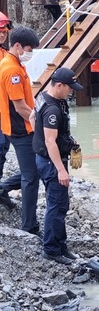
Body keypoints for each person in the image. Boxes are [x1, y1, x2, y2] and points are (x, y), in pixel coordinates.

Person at [33, 68, 84, 264]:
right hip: (51, 162)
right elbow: (49, 141)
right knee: (56, 205)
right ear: (59, 85)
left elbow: (32, 117)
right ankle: (51, 249)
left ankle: (61, 246)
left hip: (48, 159)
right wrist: (61, 170)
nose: (71, 92)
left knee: (61, 204)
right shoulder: (53, 109)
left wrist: (70, 143)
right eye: (69, 88)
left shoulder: (45, 97)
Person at [0, 25, 41, 233]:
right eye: (28, 49)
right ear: (17, 46)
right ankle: (29, 225)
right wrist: (39, 125)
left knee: (33, 171)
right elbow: (20, 107)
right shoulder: (11, 70)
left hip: (22, 127)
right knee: (31, 177)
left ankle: (3, 187)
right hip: (20, 129)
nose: (30, 53)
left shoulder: (14, 63)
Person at [0, 12, 20, 210]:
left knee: (2, 149)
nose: (2, 34)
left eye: (4, 31)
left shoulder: (6, 55)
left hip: (4, 113)